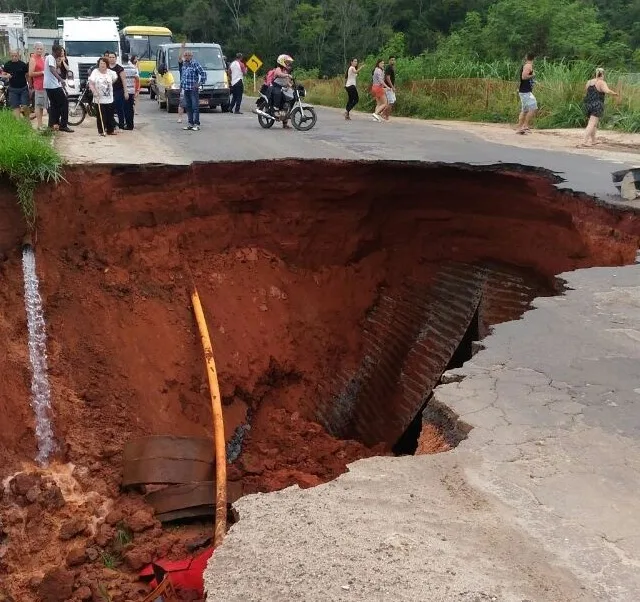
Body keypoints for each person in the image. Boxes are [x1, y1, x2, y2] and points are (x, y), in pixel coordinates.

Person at [580, 67, 619, 147]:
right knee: (591, 124)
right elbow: (606, 91)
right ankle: (584, 142)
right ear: (603, 74)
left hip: (588, 104)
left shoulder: (589, 82)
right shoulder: (601, 82)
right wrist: (614, 93)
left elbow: (586, 92)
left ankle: (594, 140)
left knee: (594, 124)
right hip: (597, 104)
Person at [44, 45, 73, 132]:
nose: (61, 53)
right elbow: (52, 70)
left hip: (50, 85)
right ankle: (63, 125)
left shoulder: (51, 58)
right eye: (60, 51)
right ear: (55, 51)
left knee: (54, 106)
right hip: (53, 86)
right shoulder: (51, 58)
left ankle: (53, 124)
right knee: (64, 103)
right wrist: (61, 80)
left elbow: (58, 70)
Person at [179, 47, 207, 131]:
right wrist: (181, 86)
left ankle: (196, 124)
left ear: (191, 56)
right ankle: (190, 123)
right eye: (185, 55)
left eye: (188, 55)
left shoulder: (195, 63)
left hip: (193, 89)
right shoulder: (184, 64)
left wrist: (199, 83)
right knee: (188, 107)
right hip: (186, 88)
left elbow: (203, 73)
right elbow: (183, 76)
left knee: (195, 106)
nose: (187, 56)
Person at [88, 57, 118, 136]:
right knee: (101, 115)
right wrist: (94, 91)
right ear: (99, 64)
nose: (102, 65)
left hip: (109, 98)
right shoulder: (95, 72)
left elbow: (114, 79)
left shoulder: (111, 72)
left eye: (104, 63)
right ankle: (101, 131)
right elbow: (91, 83)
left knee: (110, 115)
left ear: (107, 64)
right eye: (101, 63)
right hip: (99, 98)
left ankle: (110, 130)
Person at [1, 49, 30, 118]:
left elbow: (27, 75)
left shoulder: (23, 64)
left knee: (25, 105)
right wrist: (6, 76)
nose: (14, 57)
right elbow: (2, 74)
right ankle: (18, 122)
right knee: (15, 106)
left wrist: (30, 84)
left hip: (23, 88)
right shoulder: (7, 64)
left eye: (15, 56)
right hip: (13, 89)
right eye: (12, 56)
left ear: (18, 56)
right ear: (10, 56)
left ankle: (27, 120)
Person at [516, 53, 537, 134]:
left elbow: (526, 78)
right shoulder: (528, 66)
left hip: (525, 90)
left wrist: (532, 80)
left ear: (526, 57)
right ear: (534, 58)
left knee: (524, 110)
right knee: (533, 107)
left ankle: (519, 128)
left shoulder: (527, 65)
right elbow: (524, 77)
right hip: (525, 91)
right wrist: (533, 75)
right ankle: (525, 126)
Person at [272, 54, 294, 129]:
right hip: (275, 87)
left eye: (288, 62)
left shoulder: (285, 71)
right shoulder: (279, 69)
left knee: (287, 104)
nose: (288, 64)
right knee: (278, 94)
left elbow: (287, 82)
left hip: (283, 88)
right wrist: (287, 75)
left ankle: (285, 123)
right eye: (286, 62)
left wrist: (291, 86)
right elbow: (279, 74)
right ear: (282, 61)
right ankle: (276, 110)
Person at [28, 42, 47, 129]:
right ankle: (39, 125)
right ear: (34, 49)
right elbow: (30, 73)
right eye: (37, 48)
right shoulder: (33, 59)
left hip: (45, 84)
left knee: (42, 105)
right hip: (38, 85)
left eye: (41, 48)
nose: (39, 50)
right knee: (38, 105)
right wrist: (42, 72)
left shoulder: (42, 58)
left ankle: (41, 123)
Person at [106, 51, 127, 129]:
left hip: (118, 91)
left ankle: (121, 125)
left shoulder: (119, 68)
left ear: (116, 58)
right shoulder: (106, 68)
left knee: (119, 109)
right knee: (109, 109)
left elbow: (124, 80)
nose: (111, 59)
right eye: (110, 57)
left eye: (113, 57)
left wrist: (126, 92)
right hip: (108, 92)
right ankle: (112, 125)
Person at [121, 53, 139, 130]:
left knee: (125, 109)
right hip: (131, 90)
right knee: (130, 108)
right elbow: (137, 78)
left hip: (124, 90)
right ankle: (131, 124)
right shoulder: (133, 67)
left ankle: (127, 125)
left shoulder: (121, 68)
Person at [383, 55, 396, 120]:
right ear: (389, 60)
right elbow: (387, 78)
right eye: (392, 60)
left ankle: (386, 115)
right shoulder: (388, 67)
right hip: (388, 87)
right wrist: (392, 87)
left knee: (392, 101)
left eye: (394, 60)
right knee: (391, 102)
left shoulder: (392, 67)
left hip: (390, 87)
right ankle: (384, 114)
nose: (393, 61)